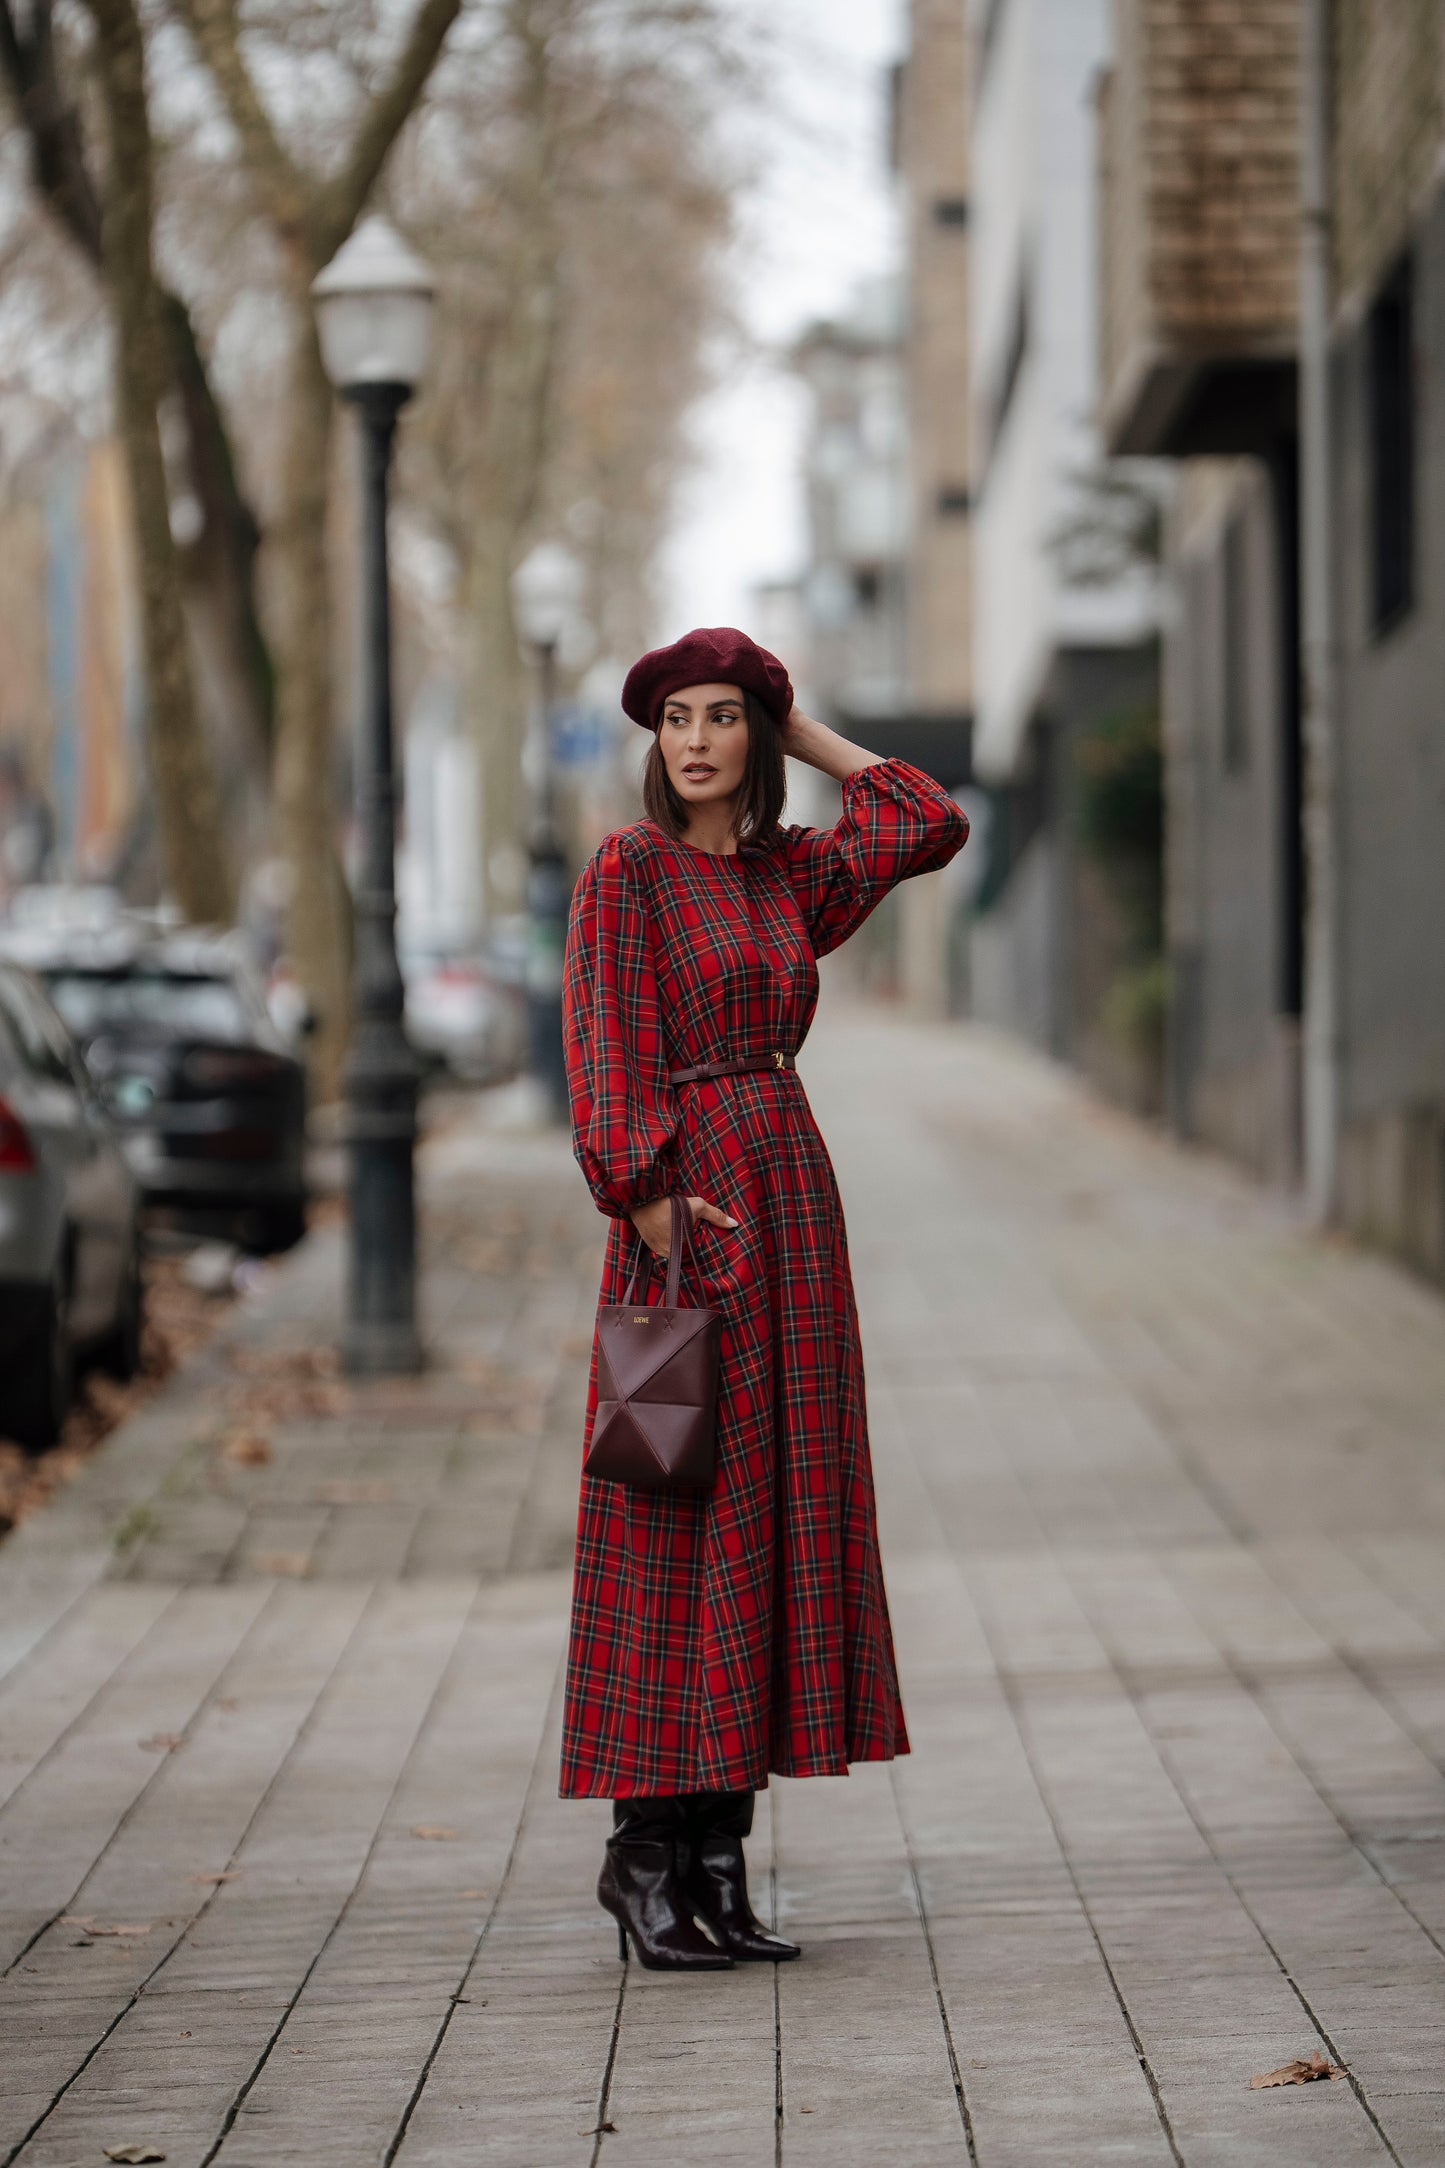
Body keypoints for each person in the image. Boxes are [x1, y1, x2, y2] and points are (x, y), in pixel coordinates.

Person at [560, 626, 969, 1971]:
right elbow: (605, 1038)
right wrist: (642, 1193)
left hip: (791, 1207)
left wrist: (803, 727)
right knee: (676, 1515)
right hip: (691, 1218)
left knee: (773, 1517)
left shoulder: (787, 876)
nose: (694, 739)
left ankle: (719, 1860)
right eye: (676, 716)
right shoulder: (629, 872)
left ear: (755, 737)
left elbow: (926, 820)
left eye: (722, 716)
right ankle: (645, 1858)